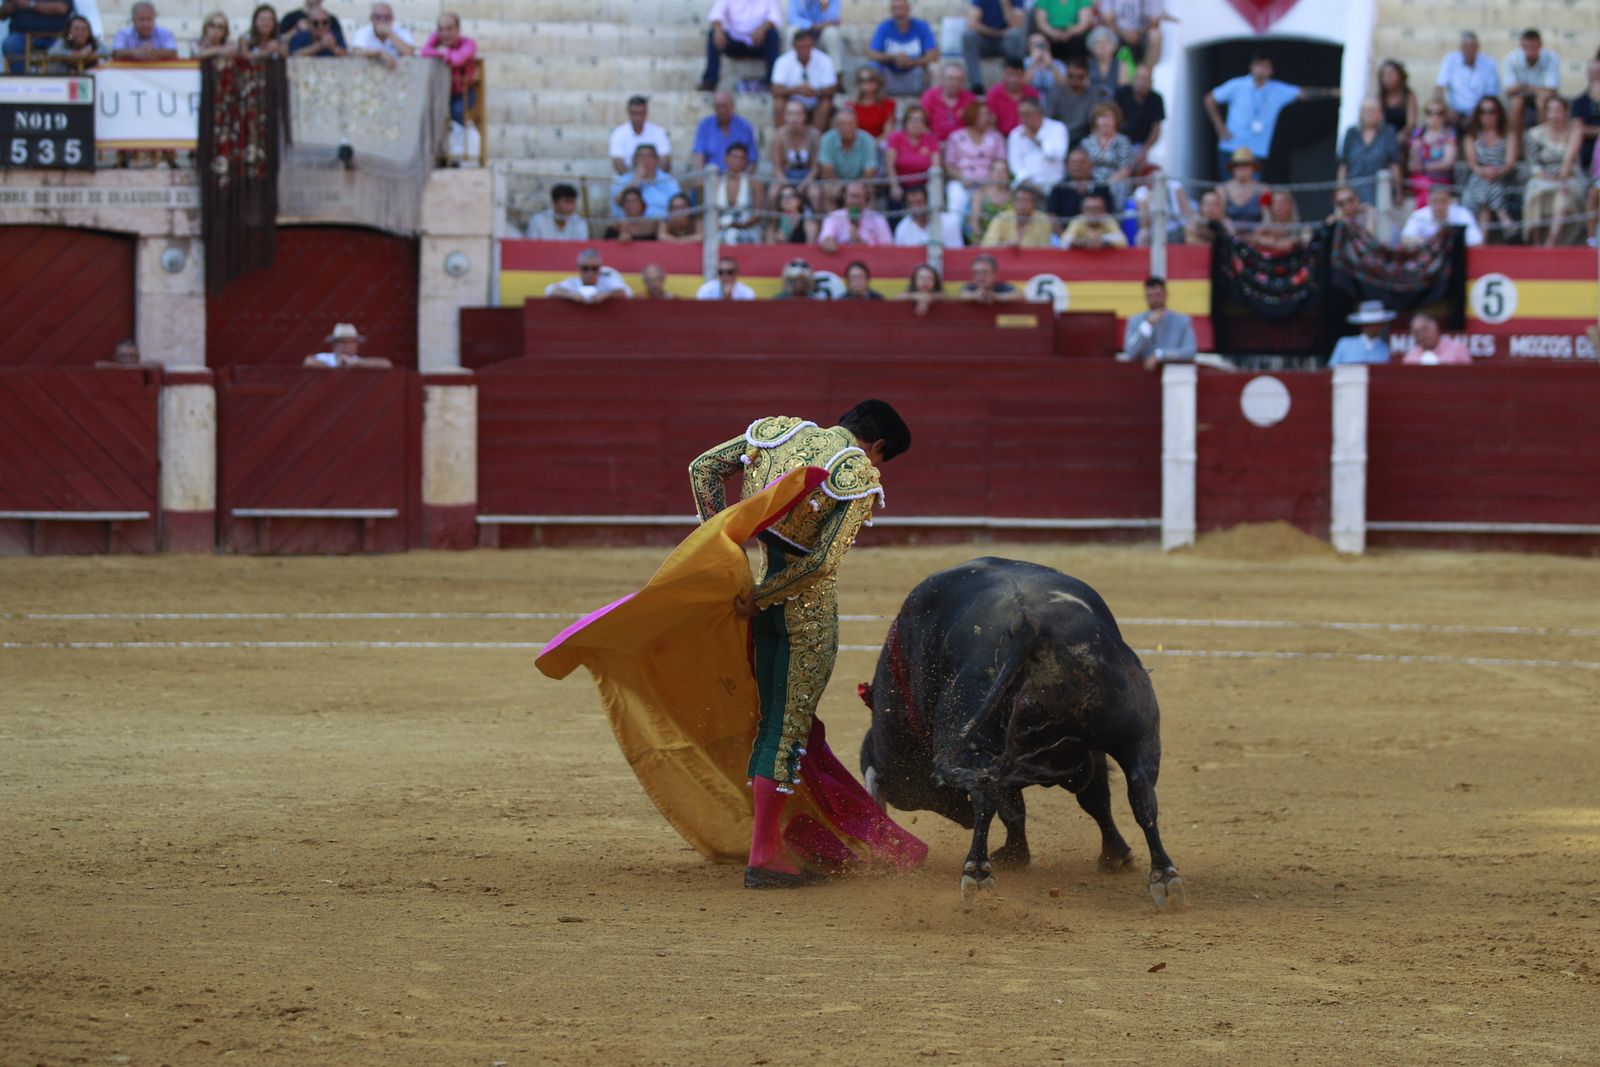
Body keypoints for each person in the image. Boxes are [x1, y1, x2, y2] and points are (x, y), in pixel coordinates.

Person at [687, 400, 912, 888]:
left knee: (771, 724)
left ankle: (773, 842)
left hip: (760, 603)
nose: (876, 465)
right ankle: (765, 855)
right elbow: (821, 564)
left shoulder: (776, 433)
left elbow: (703, 469)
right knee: (784, 732)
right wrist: (764, 596)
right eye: (881, 458)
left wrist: (723, 551)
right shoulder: (855, 470)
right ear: (877, 446)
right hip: (804, 617)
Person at [1204, 50, 1339, 178]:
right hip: (1231, 146)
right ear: (1251, 66)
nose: (1261, 69)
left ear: (1271, 70)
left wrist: (1333, 92)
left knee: (1253, 190)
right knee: (1227, 188)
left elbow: (1303, 93)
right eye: (1258, 65)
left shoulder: (1278, 90)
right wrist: (1220, 128)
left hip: (1255, 151)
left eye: (1265, 66)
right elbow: (1209, 99)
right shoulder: (1237, 85)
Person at [1521, 95, 1585, 247]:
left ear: (1566, 112)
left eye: (1558, 110)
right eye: (1550, 110)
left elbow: (1569, 160)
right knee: (1535, 190)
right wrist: (1543, 176)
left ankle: (1552, 241)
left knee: (1563, 192)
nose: (1554, 114)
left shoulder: (1575, 131)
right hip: (1542, 177)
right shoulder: (1534, 133)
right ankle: (1536, 242)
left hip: (1569, 176)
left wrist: (1561, 176)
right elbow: (1533, 163)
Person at [1461, 95, 1519, 239]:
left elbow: (1510, 162)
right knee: (1486, 190)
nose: (1487, 116)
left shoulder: (1509, 135)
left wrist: (1497, 172)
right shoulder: (1471, 136)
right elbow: (1472, 163)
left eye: (1491, 111)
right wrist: (1483, 171)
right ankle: (1504, 217)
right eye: (1483, 112)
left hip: (1503, 177)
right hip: (1479, 176)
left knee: (1491, 188)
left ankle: (1481, 240)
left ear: (1499, 113)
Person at [942, 100, 1006, 222]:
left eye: (987, 114)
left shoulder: (996, 137)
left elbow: (1000, 161)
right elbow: (949, 165)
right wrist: (962, 178)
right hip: (962, 183)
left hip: (990, 183)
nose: (985, 117)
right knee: (956, 202)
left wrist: (992, 180)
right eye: (981, 114)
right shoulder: (955, 137)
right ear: (971, 115)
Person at [698, 0, 781, 92]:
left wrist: (763, 29)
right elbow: (716, 14)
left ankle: (772, 81)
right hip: (734, 43)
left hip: (757, 43)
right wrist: (718, 29)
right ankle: (710, 80)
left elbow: (775, 18)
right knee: (713, 33)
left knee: (772, 35)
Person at [1337, 98, 1402, 207]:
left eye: (1373, 110)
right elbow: (1343, 164)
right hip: (1353, 191)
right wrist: (1340, 190)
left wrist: (1398, 191)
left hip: (1379, 190)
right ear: (1361, 113)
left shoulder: (1388, 133)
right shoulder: (1351, 133)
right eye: (1367, 110)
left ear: (1380, 113)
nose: (1370, 114)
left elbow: (1394, 163)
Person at [866, 0, 938, 98]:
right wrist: (894, 57)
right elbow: (872, 54)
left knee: (934, 67)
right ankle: (873, 102)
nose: (899, 13)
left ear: (908, 9)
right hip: (890, 75)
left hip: (915, 75)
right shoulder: (884, 27)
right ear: (891, 11)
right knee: (872, 66)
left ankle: (932, 101)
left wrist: (912, 62)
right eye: (895, 9)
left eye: (902, 8)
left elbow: (933, 55)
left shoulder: (921, 26)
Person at [771, 28, 838, 129]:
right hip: (792, 101)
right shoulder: (782, 61)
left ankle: (815, 136)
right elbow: (775, 89)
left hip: (816, 100)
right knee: (778, 102)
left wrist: (815, 92)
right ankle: (781, 135)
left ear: (813, 45)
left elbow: (831, 89)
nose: (804, 51)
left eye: (807, 46)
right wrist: (796, 90)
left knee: (826, 103)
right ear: (794, 46)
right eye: (800, 47)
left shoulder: (825, 60)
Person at [1123, 277, 1195, 370]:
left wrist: (1161, 354)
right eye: (1149, 296)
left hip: (1173, 374)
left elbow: (1190, 351)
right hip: (1143, 375)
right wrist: (1147, 325)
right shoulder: (1136, 321)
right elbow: (1130, 351)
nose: (1154, 299)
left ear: (1165, 295)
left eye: (1158, 295)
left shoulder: (1182, 321)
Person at [418, 12, 476, 124]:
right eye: (441, 29)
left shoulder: (468, 43)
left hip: (462, 93)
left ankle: (462, 134)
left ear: (458, 29)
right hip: (440, 92)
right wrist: (442, 51)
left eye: (449, 29)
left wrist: (443, 51)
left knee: (456, 111)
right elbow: (424, 52)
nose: (445, 34)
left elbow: (458, 60)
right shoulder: (437, 39)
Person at [1434, 31, 1499, 130]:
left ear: (1478, 47)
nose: (1469, 51)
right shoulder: (1450, 60)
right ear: (1461, 48)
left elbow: (1491, 94)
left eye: (1472, 47)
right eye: (1466, 47)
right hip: (1453, 112)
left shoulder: (1489, 63)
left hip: (1479, 112)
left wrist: (1475, 114)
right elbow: (1439, 87)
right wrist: (1447, 109)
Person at [817, 107, 879, 207]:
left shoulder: (868, 140)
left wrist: (854, 188)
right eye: (842, 124)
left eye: (850, 123)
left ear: (856, 124)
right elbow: (826, 173)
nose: (846, 127)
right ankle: (833, 217)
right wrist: (845, 188)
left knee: (869, 190)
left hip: (861, 183)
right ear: (836, 126)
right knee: (827, 189)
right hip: (836, 183)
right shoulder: (827, 139)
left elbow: (869, 173)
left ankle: (866, 217)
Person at [1502, 27, 1560, 134]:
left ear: (1540, 45)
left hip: (1539, 97)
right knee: (1516, 102)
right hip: (1521, 97)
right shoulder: (1511, 59)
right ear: (1521, 46)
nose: (1530, 50)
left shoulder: (1551, 58)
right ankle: (1514, 139)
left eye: (1533, 47)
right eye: (1526, 47)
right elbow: (1509, 91)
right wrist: (1537, 89)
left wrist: (1523, 87)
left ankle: (1544, 138)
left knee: (1542, 100)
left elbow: (1551, 90)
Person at [961, 0, 1025, 92]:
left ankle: (1014, 81)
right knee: (968, 36)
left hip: (1005, 42)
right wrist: (997, 33)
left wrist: (1005, 4)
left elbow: (1016, 24)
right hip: (985, 41)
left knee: (1015, 34)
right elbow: (972, 23)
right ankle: (976, 85)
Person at [884, 104, 939, 210]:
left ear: (925, 124)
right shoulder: (895, 137)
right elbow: (890, 166)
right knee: (894, 198)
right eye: (913, 120)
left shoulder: (931, 139)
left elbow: (936, 167)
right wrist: (895, 186)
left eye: (920, 120)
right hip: (901, 184)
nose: (916, 124)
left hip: (924, 185)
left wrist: (930, 187)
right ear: (905, 122)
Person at [1007, 97, 1068, 189]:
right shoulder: (1015, 134)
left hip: (1054, 183)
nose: (1022, 118)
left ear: (1039, 112)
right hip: (1026, 186)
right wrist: (1029, 184)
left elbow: (1057, 156)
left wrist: (1034, 139)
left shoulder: (1058, 128)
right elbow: (1015, 165)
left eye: (1026, 114)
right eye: (1020, 114)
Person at [1046, 146, 1111, 231]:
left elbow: (1108, 214)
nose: (1077, 166)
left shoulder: (1101, 187)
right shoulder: (1059, 188)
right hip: (1065, 234)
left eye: (1082, 162)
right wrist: (1064, 236)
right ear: (1067, 166)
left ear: (1090, 165)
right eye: (1073, 162)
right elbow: (1052, 215)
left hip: (1098, 234)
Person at [1081, 101, 1135, 202]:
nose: (1105, 121)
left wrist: (1106, 185)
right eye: (1101, 117)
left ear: (1116, 120)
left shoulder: (1123, 141)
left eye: (1109, 117)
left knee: (1118, 188)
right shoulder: (1087, 142)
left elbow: (1126, 169)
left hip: (1116, 182)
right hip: (1091, 182)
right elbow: (1083, 167)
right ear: (1095, 120)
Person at [772, 98, 822, 210]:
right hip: (786, 175)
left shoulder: (814, 135)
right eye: (790, 114)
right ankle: (772, 220)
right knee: (773, 193)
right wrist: (788, 185)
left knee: (815, 194)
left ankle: (816, 220)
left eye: (798, 114)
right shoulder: (779, 136)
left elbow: (815, 167)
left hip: (807, 176)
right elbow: (777, 168)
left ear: (805, 116)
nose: (794, 118)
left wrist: (804, 185)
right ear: (785, 116)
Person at [1113, 65, 1164, 172]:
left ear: (1151, 82)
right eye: (1139, 78)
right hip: (1119, 140)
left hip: (1141, 145)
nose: (1142, 82)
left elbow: (1156, 129)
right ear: (1134, 79)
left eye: (1145, 79)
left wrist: (1145, 149)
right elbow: (1113, 118)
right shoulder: (1122, 93)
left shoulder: (1156, 99)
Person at [1408, 100, 1459, 205]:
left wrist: (1424, 168)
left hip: (1441, 179)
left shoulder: (1449, 134)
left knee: (1428, 188)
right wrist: (1415, 151)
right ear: (1425, 115)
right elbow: (1414, 165)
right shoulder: (1418, 133)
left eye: (1439, 113)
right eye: (1429, 112)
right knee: (1425, 186)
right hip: (1420, 178)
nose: (1434, 116)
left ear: (1444, 116)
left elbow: (1447, 163)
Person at [610, 144, 682, 218]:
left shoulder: (668, 180)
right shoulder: (622, 180)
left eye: (649, 156)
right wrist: (636, 180)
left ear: (656, 160)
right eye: (641, 156)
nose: (645, 159)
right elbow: (618, 201)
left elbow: (679, 204)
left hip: (663, 222)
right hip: (633, 223)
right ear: (634, 160)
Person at [692, 91, 758, 171]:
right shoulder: (705, 125)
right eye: (719, 107)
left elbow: (752, 159)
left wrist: (744, 177)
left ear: (732, 107)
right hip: (711, 175)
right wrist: (701, 175)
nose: (722, 110)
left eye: (725, 106)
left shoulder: (744, 127)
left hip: (738, 175)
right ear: (714, 108)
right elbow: (699, 154)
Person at [712, 142, 765, 243]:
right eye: (734, 157)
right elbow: (710, 212)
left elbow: (758, 214)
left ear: (746, 161)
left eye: (742, 158)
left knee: (732, 236)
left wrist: (738, 226)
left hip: (747, 228)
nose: (738, 161)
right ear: (726, 158)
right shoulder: (716, 183)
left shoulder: (755, 183)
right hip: (720, 228)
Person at [1400, 184, 1484, 247]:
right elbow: (1405, 239)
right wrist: (1429, 242)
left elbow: (1477, 241)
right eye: (1435, 201)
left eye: (1443, 201)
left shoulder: (1463, 214)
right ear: (1429, 201)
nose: (1439, 205)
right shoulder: (1419, 215)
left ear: (1450, 201)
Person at [818, 181, 892, 250]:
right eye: (853, 196)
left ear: (865, 198)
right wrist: (828, 241)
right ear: (845, 197)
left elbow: (887, 247)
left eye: (859, 197)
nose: (855, 201)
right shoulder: (834, 217)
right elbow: (825, 237)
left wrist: (859, 241)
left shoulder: (878, 218)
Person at [609, 95, 673, 175]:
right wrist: (637, 175)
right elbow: (619, 166)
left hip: (655, 178)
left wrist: (648, 174)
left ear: (646, 112)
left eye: (641, 113)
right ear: (628, 112)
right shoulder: (618, 133)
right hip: (628, 177)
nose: (638, 118)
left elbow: (665, 165)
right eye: (634, 113)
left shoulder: (659, 132)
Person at [2, 0, 72, 72]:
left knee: (68, 45)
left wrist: (30, 4)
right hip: (22, 36)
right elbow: (2, 16)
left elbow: (62, 8)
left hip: (56, 37)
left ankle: (57, 78)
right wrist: (8, 7)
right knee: (10, 44)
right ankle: (21, 77)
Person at [981, 182, 1052, 247]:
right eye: (1019, 200)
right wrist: (1005, 245)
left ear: (1034, 203)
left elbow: (1045, 249)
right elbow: (987, 245)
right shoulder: (1001, 218)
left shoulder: (1042, 220)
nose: (1022, 205)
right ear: (1013, 202)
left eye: (1026, 200)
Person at [920, 60, 976, 143]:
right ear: (942, 78)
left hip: (963, 145)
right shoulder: (929, 96)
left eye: (959, 80)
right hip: (935, 144)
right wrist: (933, 143)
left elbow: (975, 126)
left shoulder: (970, 99)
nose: (955, 83)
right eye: (951, 78)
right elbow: (921, 124)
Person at [546, 250, 631, 303]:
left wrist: (607, 294)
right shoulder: (573, 282)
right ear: (579, 268)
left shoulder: (607, 281)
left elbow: (626, 292)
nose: (590, 273)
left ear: (600, 268)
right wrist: (570, 294)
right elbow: (550, 290)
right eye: (585, 268)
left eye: (594, 268)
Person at [894, 184, 965, 248]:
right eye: (911, 203)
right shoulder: (901, 229)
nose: (916, 207)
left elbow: (957, 252)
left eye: (919, 202)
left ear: (928, 202)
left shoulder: (949, 223)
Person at [1096, 0, 1163, 66]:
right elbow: (1108, 20)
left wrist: (1139, 33)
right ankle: (1108, 70)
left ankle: (1146, 70)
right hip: (1117, 33)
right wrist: (1123, 33)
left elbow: (1155, 22)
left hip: (1141, 35)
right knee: (1103, 35)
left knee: (1155, 35)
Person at [1044, 56, 1094, 143]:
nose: (1075, 80)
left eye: (1080, 77)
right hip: (1059, 138)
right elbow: (1048, 121)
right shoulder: (1056, 93)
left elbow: (1094, 124)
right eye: (1071, 76)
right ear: (1066, 74)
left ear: (1087, 77)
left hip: (1084, 139)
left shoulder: (1093, 95)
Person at [1327, 301, 1394, 365]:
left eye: (1375, 323)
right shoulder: (1345, 344)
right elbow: (1331, 369)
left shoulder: (1388, 349)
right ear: (1361, 325)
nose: (1371, 327)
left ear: (1381, 325)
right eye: (1367, 324)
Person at [985, 57, 1039, 136]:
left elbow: (1037, 119)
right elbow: (991, 124)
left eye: (1018, 74)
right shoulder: (993, 94)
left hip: (1028, 135)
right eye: (1009, 74)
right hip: (1002, 137)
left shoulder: (1032, 93)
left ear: (1024, 74)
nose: (1013, 79)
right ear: (1003, 74)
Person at [786, 0, 843, 75]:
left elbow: (834, 19)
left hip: (822, 31)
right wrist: (810, 25)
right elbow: (792, 18)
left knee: (832, 33)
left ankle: (836, 73)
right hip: (804, 30)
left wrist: (824, 6)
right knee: (791, 31)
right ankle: (788, 71)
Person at [1219, 146, 1267, 231]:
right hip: (1229, 235)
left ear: (1253, 167)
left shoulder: (1264, 190)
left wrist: (1255, 235)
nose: (1241, 167)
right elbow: (1221, 216)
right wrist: (1233, 234)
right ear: (1232, 168)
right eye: (1236, 165)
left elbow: (1267, 217)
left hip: (1258, 235)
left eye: (1245, 164)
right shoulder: (1222, 189)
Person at [967, 157, 1014, 245]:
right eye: (996, 170)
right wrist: (978, 238)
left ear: (1008, 174)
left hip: (1007, 242)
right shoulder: (980, 194)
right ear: (990, 174)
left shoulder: (1013, 196)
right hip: (983, 239)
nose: (1000, 174)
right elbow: (974, 220)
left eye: (1003, 171)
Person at [304, 323, 393, 368]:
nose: (347, 346)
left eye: (351, 343)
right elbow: (308, 361)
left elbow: (386, 364)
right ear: (334, 345)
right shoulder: (326, 358)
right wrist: (335, 368)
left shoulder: (357, 361)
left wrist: (355, 363)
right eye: (343, 342)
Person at [1249, 189, 1307, 255]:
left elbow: (1305, 239)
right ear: (1271, 206)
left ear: (1290, 204)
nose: (1279, 205)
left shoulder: (1297, 225)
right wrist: (1262, 240)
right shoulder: (1266, 224)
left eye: (1283, 202)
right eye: (1275, 202)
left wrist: (1294, 241)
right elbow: (1251, 238)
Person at [113, 3, 180, 59]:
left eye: (149, 19)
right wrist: (135, 52)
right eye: (141, 19)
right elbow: (116, 53)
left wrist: (151, 52)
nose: (145, 24)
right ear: (133, 20)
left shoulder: (166, 34)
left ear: (154, 19)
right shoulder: (123, 34)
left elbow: (173, 52)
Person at [847, 66, 897, 139]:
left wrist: (873, 144)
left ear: (878, 82)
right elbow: (847, 130)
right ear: (858, 83)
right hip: (856, 143)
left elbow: (888, 133)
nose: (866, 82)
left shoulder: (888, 104)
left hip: (880, 143)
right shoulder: (850, 105)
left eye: (871, 79)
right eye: (862, 80)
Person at [1062, 192, 1127, 248]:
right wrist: (1083, 241)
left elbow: (1123, 242)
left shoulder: (1108, 220)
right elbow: (1064, 243)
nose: (1094, 213)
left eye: (1098, 209)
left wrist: (1102, 240)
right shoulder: (1078, 221)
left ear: (1104, 210)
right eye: (1089, 209)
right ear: (1083, 211)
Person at [1402, 312, 1471, 365]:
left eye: (1425, 329)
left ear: (1435, 327)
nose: (1421, 335)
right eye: (1417, 332)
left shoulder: (1457, 349)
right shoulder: (1410, 358)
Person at [1572, 59, 1600, 179]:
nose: (1597, 76)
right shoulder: (1580, 101)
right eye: (1594, 72)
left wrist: (1590, 130)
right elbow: (1578, 128)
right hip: (1587, 149)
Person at [1377, 59, 1417, 142]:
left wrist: (1398, 137)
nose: (1387, 78)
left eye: (1390, 74)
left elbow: (1411, 124)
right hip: (1383, 138)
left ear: (1400, 76)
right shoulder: (1380, 97)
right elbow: (1377, 122)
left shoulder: (1408, 96)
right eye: (1384, 75)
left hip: (1403, 138)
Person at [1084, 25, 1123, 103]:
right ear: (1092, 47)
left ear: (1113, 46)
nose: (1102, 46)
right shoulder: (1087, 64)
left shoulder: (1121, 65)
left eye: (1106, 42)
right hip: (1092, 104)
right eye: (1098, 43)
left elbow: (1123, 91)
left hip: (1114, 105)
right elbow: (1085, 90)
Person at [279, 0, 344, 46]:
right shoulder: (290, 18)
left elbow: (342, 47)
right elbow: (280, 41)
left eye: (324, 23)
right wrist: (296, 29)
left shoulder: (332, 20)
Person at [95, 338, 161, 369]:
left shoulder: (143, 370)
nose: (128, 359)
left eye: (132, 356)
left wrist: (134, 366)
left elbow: (159, 365)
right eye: (124, 356)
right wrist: (124, 368)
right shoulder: (112, 369)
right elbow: (98, 364)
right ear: (116, 357)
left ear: (138, 357)